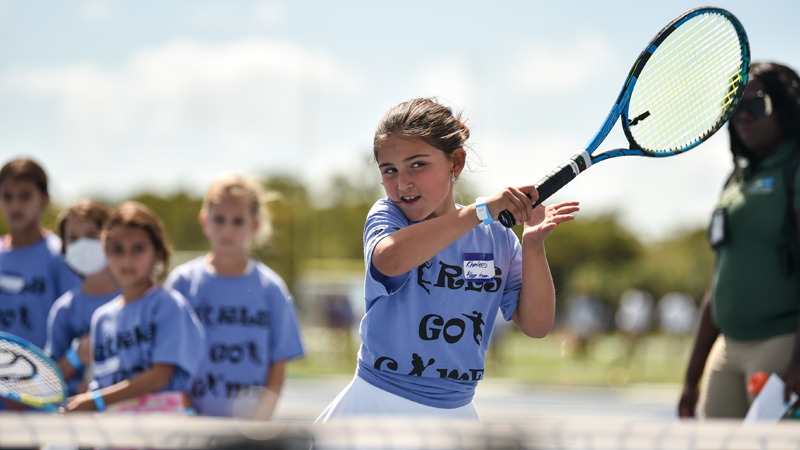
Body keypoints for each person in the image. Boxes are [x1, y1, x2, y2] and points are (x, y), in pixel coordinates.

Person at [317, 98, 579, 421]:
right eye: (390, 170)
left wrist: (533, 247)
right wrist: (481, 211)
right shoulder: (388, 217)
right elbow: (391, 260)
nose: (403, 183)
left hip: (456, 414)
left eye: (417, 164)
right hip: (375, 405)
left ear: (455, 163)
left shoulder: (496, 236)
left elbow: (538, 326)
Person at [679, 62, 800, 419]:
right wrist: (691, 377)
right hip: (727, 348)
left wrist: (798, 363)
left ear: (785, 107)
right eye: (734, 107)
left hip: (780, 344)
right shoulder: (735, 180)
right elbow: (717, 283)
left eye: (756, 105)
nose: (743, 116)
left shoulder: (794, 168)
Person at [166, 174, 304, 419]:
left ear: (255, 225)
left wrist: (258, 425)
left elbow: (277, 366)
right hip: (188, 426)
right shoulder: (182, 283)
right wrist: (186, 414)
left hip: (246, 431)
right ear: (204, 220)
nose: (227, 230)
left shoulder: (271, 288)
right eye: (219, 219)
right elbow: (167, 358)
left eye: (238, 221)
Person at [65, 202, 205, 412]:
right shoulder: (101, 318)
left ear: (158, 252)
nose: (127, 259)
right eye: (117, 249)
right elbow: (103, 381)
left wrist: (97, 400)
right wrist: (85, 400)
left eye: (138, 249)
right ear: (105, 251)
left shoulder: (169, 305)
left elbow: (159, 377)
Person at [0, 158, 81, 410]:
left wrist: (38, 388)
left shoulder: (60, 256)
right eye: (7, 196)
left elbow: (77, 334)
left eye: (25, 196)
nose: (16, 205)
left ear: (44, 198)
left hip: (47, 400)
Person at [45, 200, 120, 396]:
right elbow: (47, 382)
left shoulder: (137, 298)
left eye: (92, 235)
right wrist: (76, 357)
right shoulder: (64, 309)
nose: (83, 245)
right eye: (73, 239)